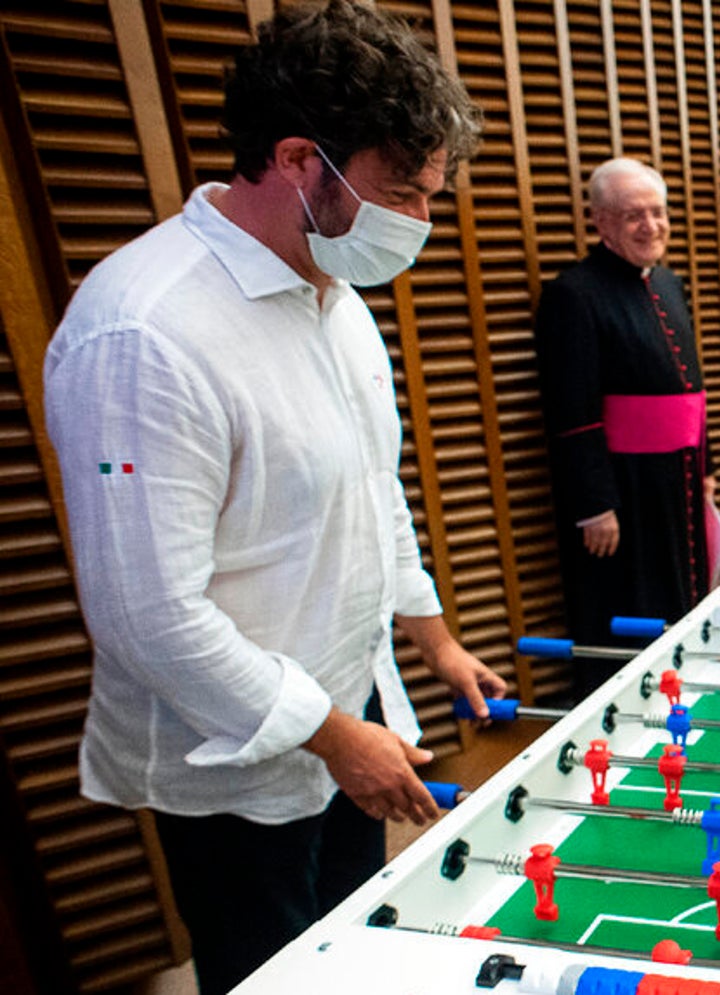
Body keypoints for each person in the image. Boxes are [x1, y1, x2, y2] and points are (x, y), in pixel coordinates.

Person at [40, 3, 505, 990]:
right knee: (270, 971)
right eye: (404, 192)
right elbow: (145, 614)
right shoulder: (145, 330)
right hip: (235, 764)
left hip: (347, 720)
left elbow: (367, 491)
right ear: (300, 159)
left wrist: (432, 639)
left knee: (344, 953)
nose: (422, 221)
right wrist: (334, 735)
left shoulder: (332, 293)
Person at [532, 158, 715, 695]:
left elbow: (692, 389)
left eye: (657, 213)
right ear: (601, 223)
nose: (650, 226)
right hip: (622, 489)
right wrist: (594, 504)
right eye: (633, 215)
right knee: (627, 599)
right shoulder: (575, 293)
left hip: (677, 477)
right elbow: (571, 409)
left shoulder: (666, 282)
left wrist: (705, 466)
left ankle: (678, 684)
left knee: (679, 592)